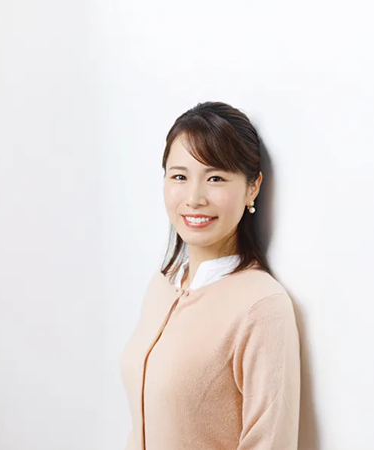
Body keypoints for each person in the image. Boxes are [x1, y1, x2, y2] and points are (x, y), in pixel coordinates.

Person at [120, 101, 300, 450]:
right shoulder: (163, 285)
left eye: (215, 178)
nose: (194, 198)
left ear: (252, 187)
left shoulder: (262, 306)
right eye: (179, 176)